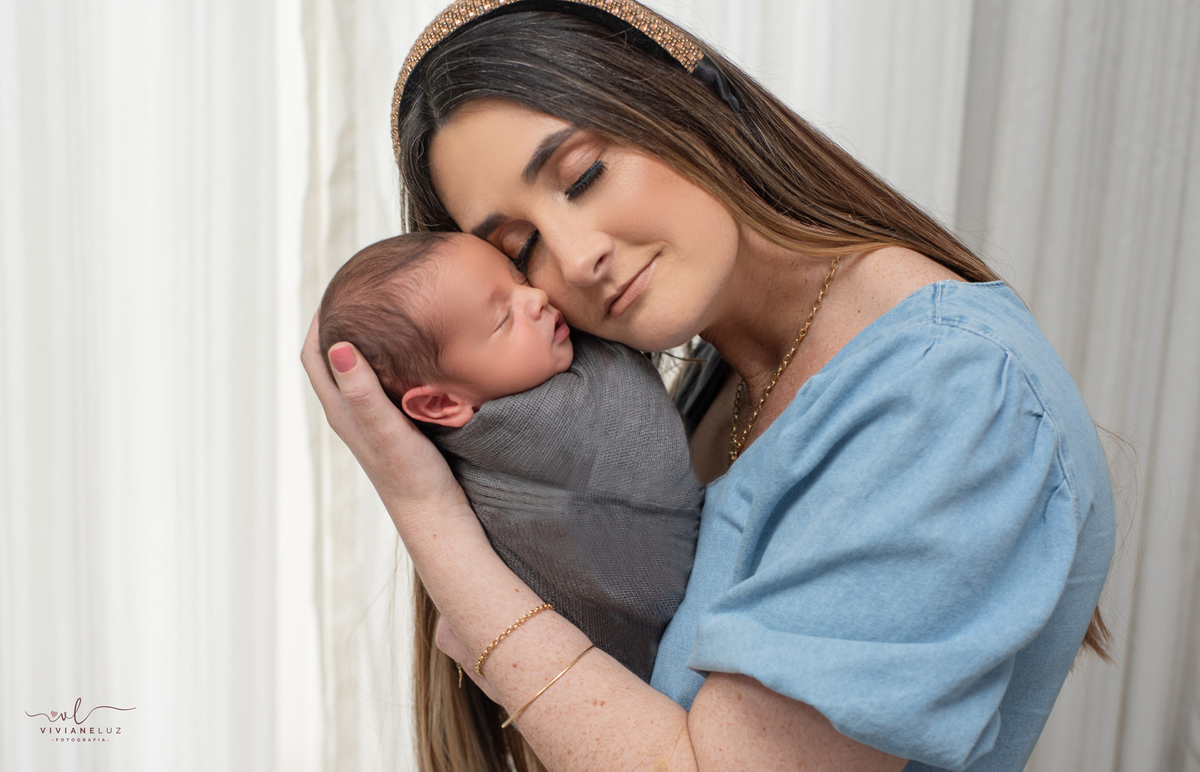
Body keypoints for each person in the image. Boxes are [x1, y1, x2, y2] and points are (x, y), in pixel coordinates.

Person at [302, 2, 1117, 771]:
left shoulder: (945, 387)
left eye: (583, 174)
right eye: (520, 249)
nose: (575, 258)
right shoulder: (703, 388)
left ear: (695, 102)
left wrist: (426, 513)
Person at [317, 230, 703, 767]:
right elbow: (636, 427)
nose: (537, 297)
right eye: (502, 319)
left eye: (519, 277)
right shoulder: (542, 433)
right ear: (440, 405)